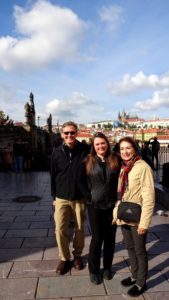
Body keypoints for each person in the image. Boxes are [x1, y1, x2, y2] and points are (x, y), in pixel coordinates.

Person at [113, 136, 155, 297]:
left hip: (137, 217)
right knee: (130, 248)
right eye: (122, 148)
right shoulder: (125, 167)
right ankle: (134, 275)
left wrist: (144, 223)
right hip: (125, 215)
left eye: (128, 148)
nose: (124, 151)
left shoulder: (142, 167)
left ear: (134, 149)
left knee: (139, 251)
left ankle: (140, 282)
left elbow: (149, 197)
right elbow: (121, 193)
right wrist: (117, 213)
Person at [51, 121, 90, 275]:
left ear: (77, 133)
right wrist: (53, 197)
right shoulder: (56, 152)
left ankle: (78, 255)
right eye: (66, 133)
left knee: (80, 229)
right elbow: (53, 176)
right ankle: (64, 258)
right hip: (61, 197)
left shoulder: (85, 150)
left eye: (72, 133)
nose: (69, 135)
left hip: (80, 197)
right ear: (62, 135)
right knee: (60, 229)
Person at [85, 132, 120, 284]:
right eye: (97, 144)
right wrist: (88, 197)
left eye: (103, 143)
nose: (101, 146)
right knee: (97, 238)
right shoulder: (87, 161)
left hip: (112, 205)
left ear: (107, 144)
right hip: (95, 206)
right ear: (93, 146)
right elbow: (79, 181)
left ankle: (107, 267)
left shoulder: (115, 159)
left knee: (110, 239)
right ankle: (93, 269)